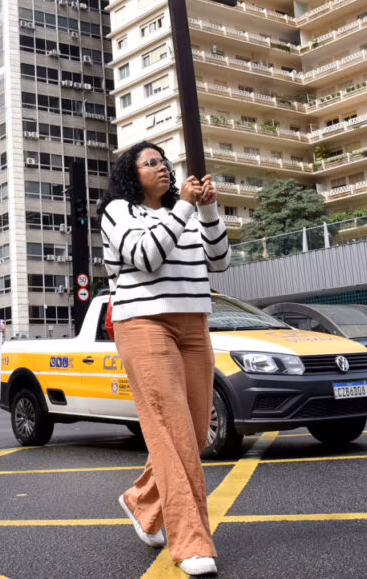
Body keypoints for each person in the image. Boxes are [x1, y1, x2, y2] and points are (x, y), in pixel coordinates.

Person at [98, 141, 230, 577]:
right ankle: (190, 539)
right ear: (130, 173)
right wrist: (186, 210)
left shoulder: (188, 213)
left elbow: (220, 260)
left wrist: (207, 210)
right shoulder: (119, 211)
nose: (162, 169)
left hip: (194, 323)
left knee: (192, 431)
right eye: (150, 163)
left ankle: (142, 501)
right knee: (171, 431)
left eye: (164, 162)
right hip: (144, 324)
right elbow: (144, 258)